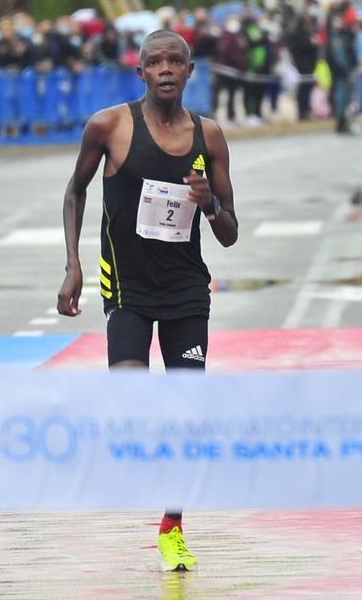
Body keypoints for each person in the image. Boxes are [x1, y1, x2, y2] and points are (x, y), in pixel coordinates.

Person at [56, 29, 238, 572]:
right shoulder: (109, 126)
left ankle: (173, 527)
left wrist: (209, 206)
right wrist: (73, 264)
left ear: (189, 71)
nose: (165, 69)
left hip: (186, 291)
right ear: (141, 72)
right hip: (127, 287)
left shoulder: (210, 136)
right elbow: (75, 189)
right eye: (154, 61)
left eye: (174, 61)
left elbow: (230, 233)